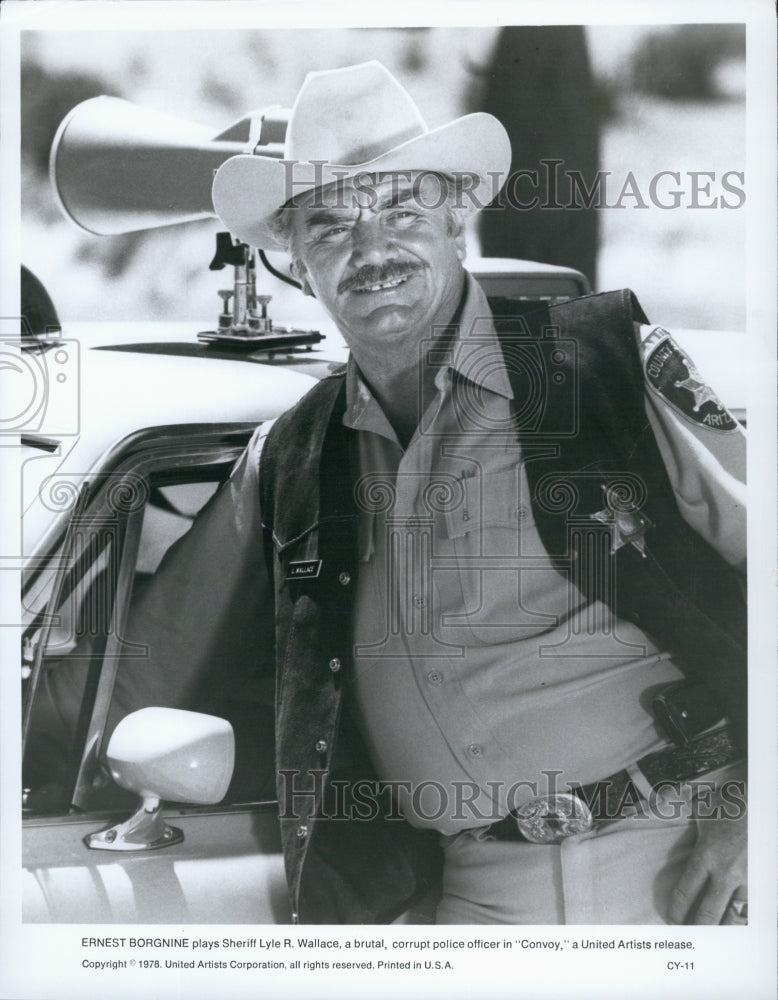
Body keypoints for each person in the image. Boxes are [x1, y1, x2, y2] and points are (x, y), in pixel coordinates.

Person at [35, 61, 746, 925]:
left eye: (403, 210)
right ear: (297, 263)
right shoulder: (292, 459)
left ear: (456, 219)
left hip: (684, 863)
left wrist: (751, 813)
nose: (371, 250)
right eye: (331, 226)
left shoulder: (598, 367)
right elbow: (136, 668)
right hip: (475, 898)